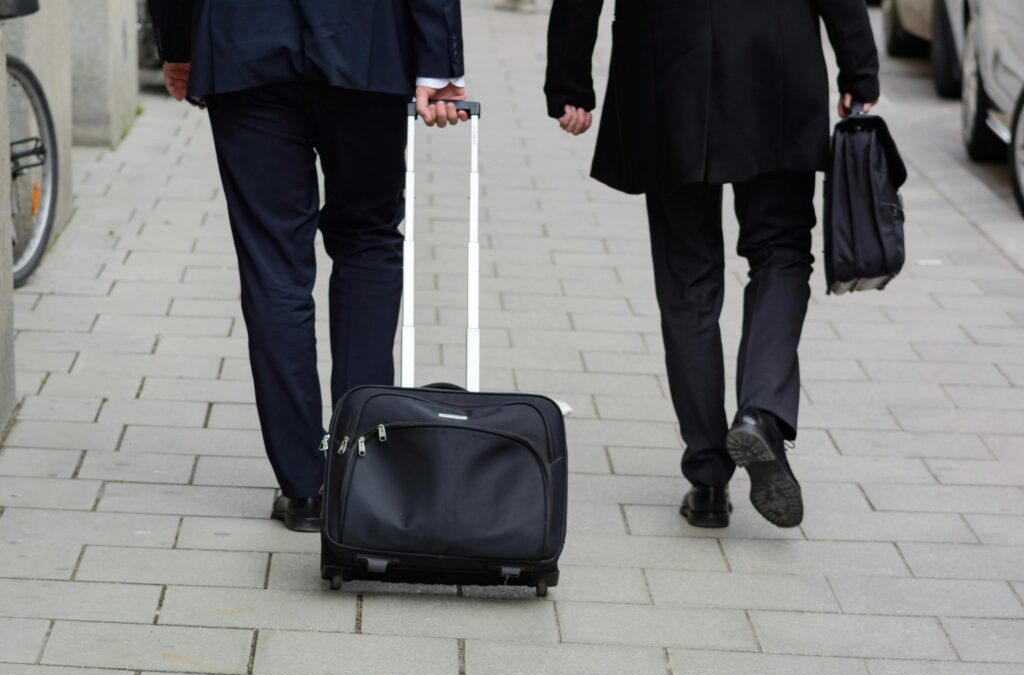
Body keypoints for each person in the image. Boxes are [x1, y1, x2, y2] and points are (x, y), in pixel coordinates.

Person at [546, 0, 879, 529]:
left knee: (687, 275)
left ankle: (707, 479)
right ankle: (760, 413)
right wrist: (858, 67)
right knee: (781, 251)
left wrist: (569, 79)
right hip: (775, 57)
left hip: (666, 58)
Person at [148, 0, 468, 532]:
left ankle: (305, 487)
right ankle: (358, 468)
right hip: (366, 45)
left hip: (243, 44)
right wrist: (437, 62)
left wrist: (180, 44)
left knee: (273, 265)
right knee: (367, 240)